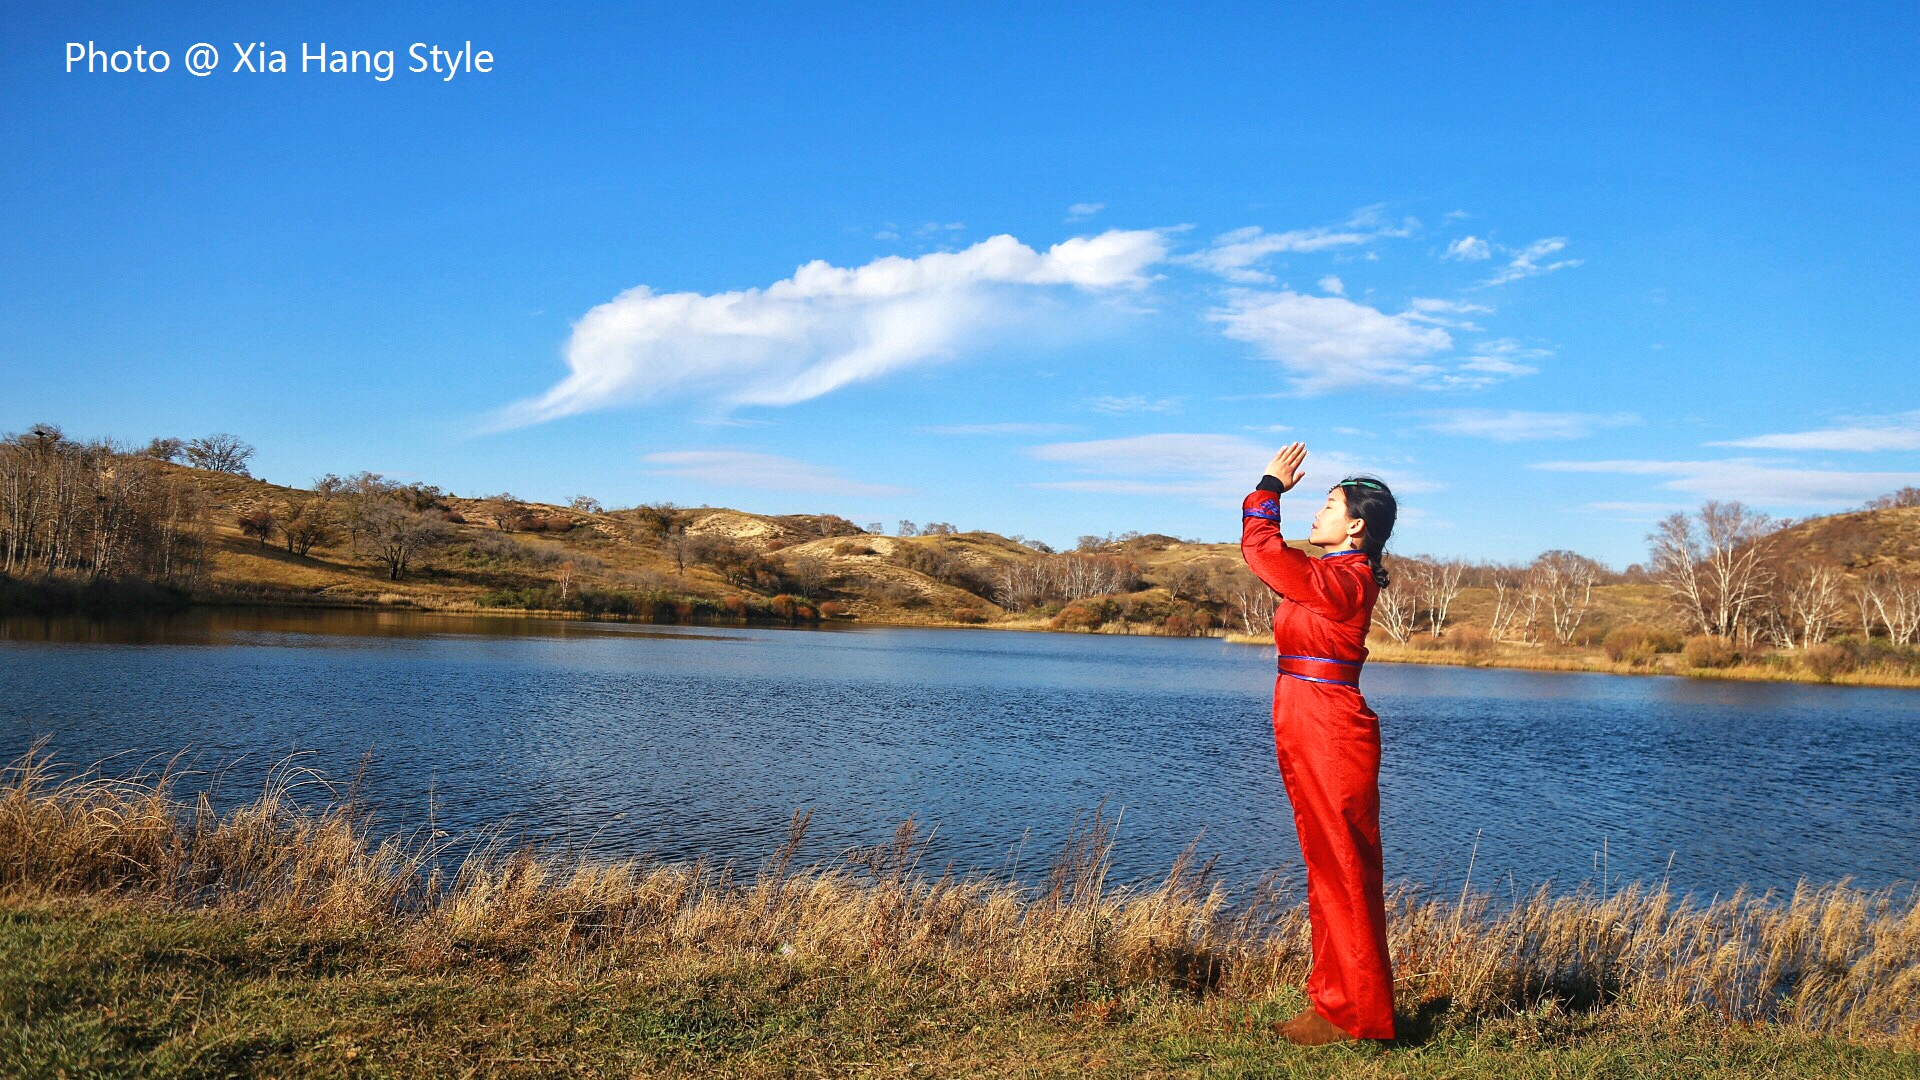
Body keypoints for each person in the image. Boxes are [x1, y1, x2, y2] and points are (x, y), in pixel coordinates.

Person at [1240, 441, 1399, 1046]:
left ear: (1355, 526)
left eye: (1329, 505)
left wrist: (1269, 488)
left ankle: (1359, 1016)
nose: (1317, 512)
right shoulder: (1332, 576)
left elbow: (1263, 551)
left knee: (1343, 866)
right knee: (1327, 863)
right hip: (1309, 720)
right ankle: (1336, 1004)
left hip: (1329, 728)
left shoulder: (1346, 580)